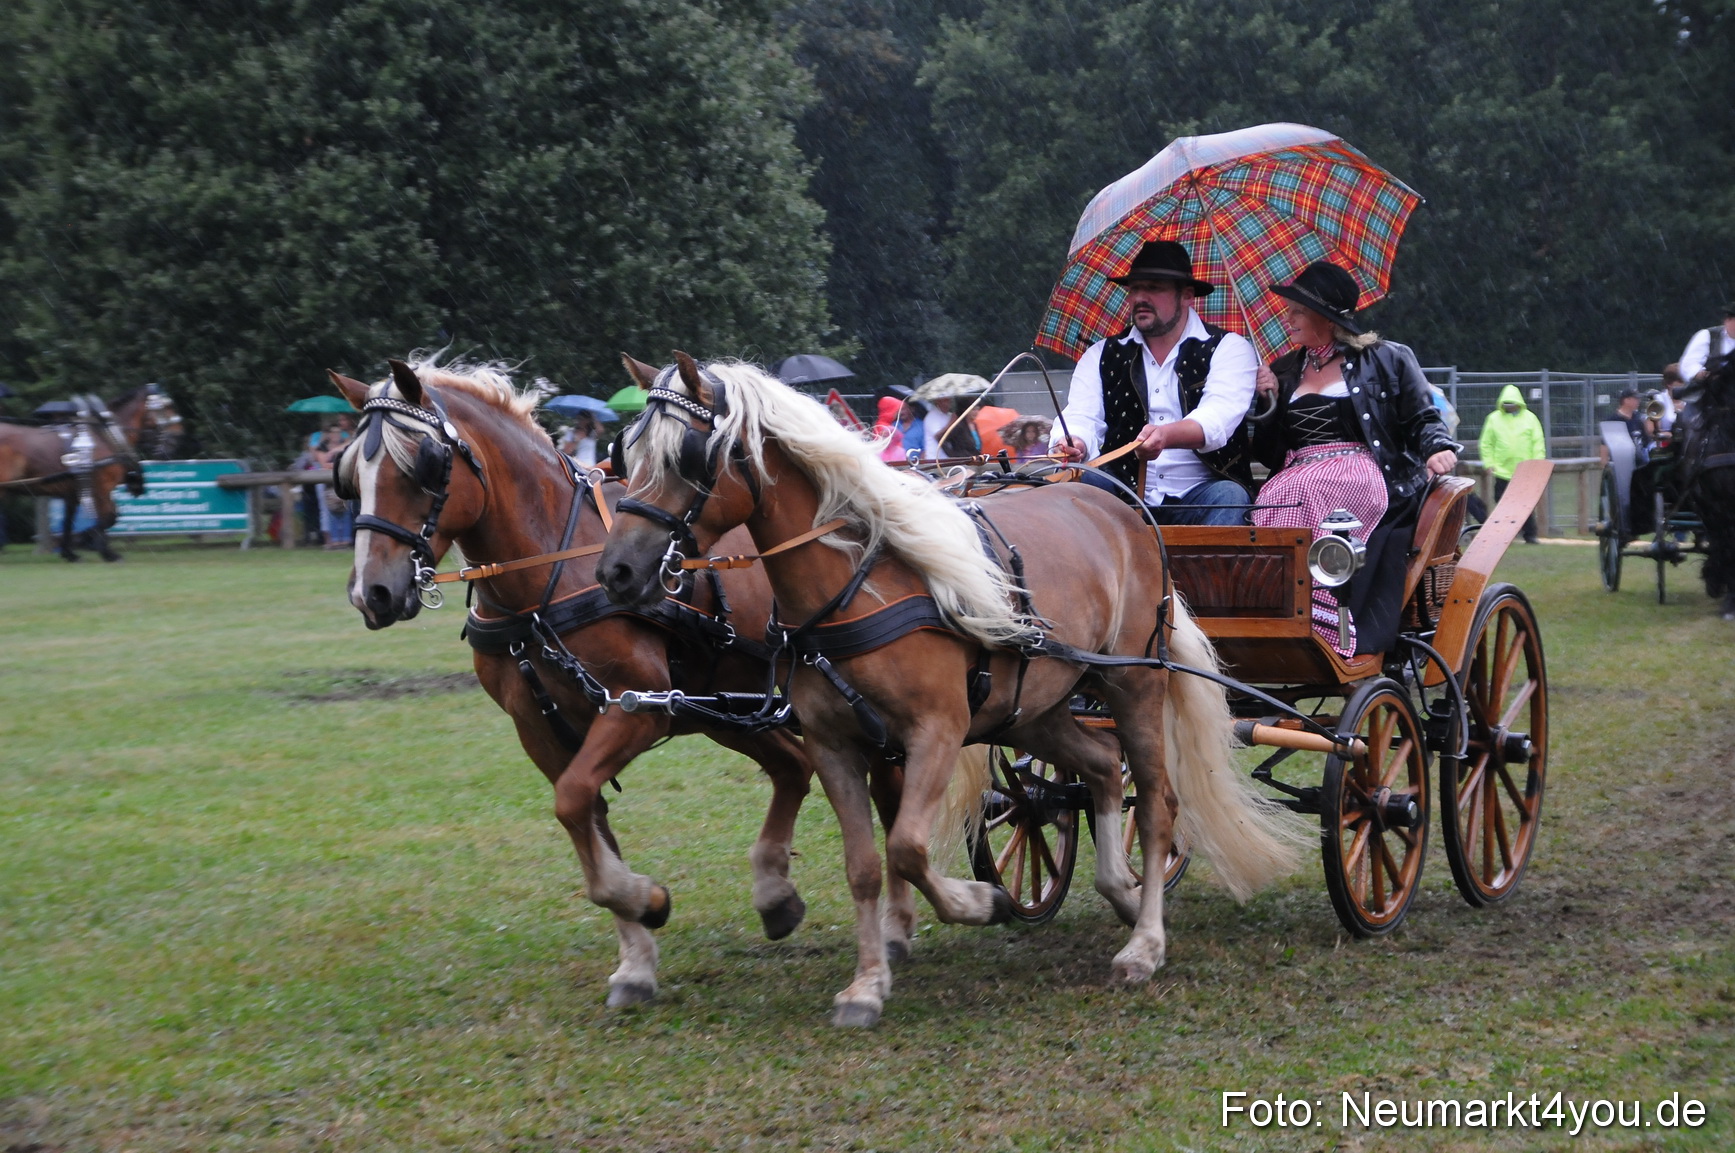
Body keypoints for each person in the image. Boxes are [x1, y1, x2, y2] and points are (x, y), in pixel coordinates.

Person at [1251, 261, 1460, 656]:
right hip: (1297, 473)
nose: (1287, 319)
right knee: (1273, 500)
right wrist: (1267, 400)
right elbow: (1266, 453)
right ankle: (1279, 610)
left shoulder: (1387, 358)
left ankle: (1324, 617)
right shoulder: (1283, 371)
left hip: (1364, 471)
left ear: (1326, 318)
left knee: (1311, 489)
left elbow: (1421, 416)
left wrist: (1437, 448)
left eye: (1297, 311)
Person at [1050, 239, 1257, 524]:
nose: (1140, 298)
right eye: (1134, 289)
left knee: (1230, 496)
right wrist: (1074, 441)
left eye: (1154, 288)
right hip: (1122, 495)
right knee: (1078, 485)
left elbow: (1217, 418)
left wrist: (1166, 435)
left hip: (1203, 494)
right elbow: (1082, 416)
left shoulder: (1229, 348)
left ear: (1187, 296)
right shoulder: (1100, 354)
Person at [1477, 385, 1546, 544]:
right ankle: (1505, 533)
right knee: (1501, 501)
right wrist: (1489, 463)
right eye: (1506, 404)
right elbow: (1486, 443)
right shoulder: (1493, 419)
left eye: (1512, 404)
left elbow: (1537, 442)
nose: (1509, 407)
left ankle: (1530, 534)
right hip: (1502, 470)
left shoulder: (1530, 418)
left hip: (1525, 470)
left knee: (1525, 504)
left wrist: (1537, 463)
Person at [1679, 300, 1735, 384]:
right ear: (1727, 320)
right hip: (1712, 388)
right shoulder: (1707, 335)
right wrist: (1701, 374)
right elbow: (1688, 364)